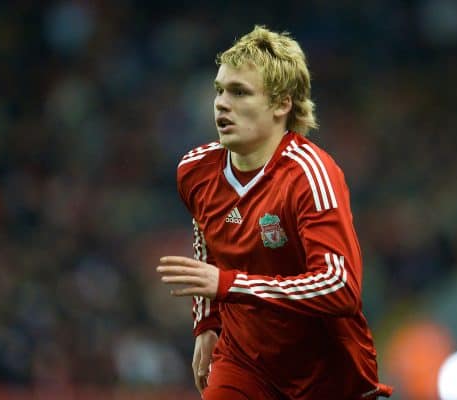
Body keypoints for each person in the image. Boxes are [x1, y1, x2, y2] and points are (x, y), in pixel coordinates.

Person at [157, 25, 393, 400]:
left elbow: (340, 286)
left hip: (326, 373)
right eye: (219, 90)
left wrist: (230, 285)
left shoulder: (310, 175)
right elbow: (208, 243)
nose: (221, 103)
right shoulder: (195, 169)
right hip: (244, 363)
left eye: (239, 92)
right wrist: (207, 323)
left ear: (282, 104)